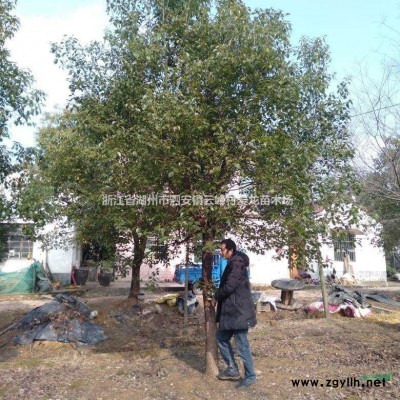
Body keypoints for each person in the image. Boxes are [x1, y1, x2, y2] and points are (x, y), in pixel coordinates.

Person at [213, 238, 257, 389]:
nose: (220, 252)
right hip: (233, 312)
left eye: (222, 249)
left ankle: (251, 376)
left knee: (242, 345)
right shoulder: (233, 261)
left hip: (239, 312)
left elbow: (229, 286)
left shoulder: (237, 262)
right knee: (221, 338)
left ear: (230, 250)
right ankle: (232, 369)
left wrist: (215, 296)